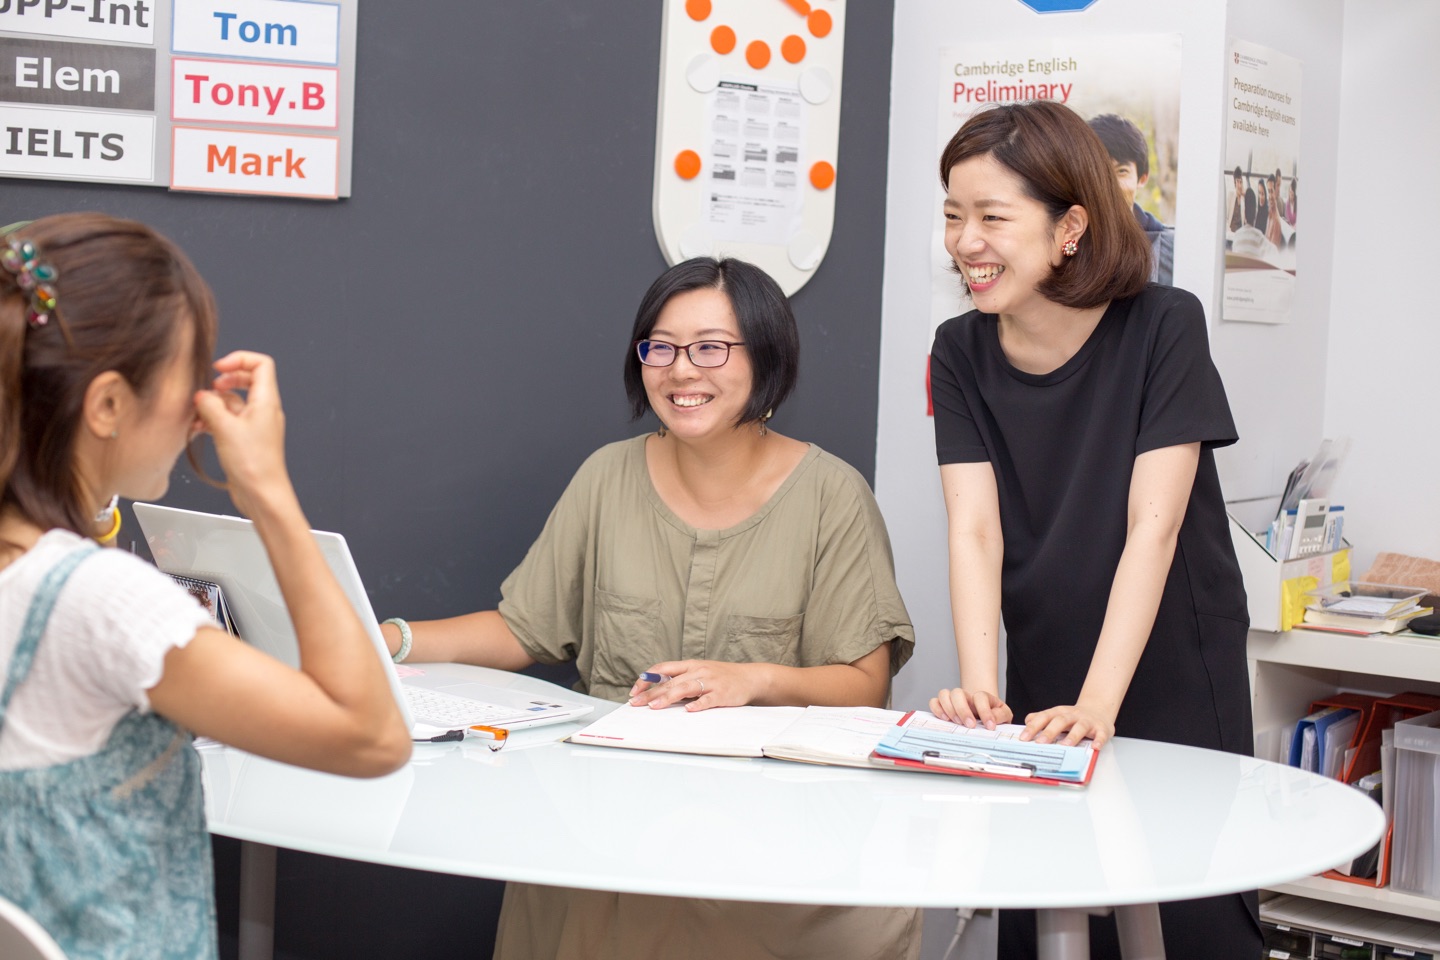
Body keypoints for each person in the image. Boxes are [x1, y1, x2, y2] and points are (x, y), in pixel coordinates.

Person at [381, 256, 919, 960]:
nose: (681, 370)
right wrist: (385, 638)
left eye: (710, 348)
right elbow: (521, 629)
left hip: (763, 833)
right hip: (603, 816)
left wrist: (752, 680)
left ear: (766, 357)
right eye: (660, 348)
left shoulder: (832, 496)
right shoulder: (606, 475)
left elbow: (864, 684)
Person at [0, 214, 411, 958]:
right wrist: (269, 492)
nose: (200, 410)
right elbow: (373, 736)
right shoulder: (103, 601)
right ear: (107, 405)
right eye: (187, 378)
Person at [926, 102, 1259, 959]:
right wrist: (983, 696)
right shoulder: (959, 350)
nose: (966, 242)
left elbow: (1155, 525)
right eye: (954, 216)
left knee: (1183, 904)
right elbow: (974, 531)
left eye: (993, 217)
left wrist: (1100, 705)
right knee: (1049, 902)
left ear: (1069, 227)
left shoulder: (1163, 324)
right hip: (1048, 651)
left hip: (1171, 658)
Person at [1086, 113, 1174, 284]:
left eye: (1121, 171)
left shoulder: (1172, 248)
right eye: (1099, 172)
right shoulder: (1064, 243)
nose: (1109, 185)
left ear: (1142, 178)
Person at [1228, 166, 1246, 233]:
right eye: (1237, 181)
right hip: (1230, 232)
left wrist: (1245, 196)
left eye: (1240, 182)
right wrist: (1228, 231)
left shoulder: (1243, 199)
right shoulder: (1231, 195)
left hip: (1240, 233)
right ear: (1235, 182)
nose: (1239, 185)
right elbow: (1226, 217)